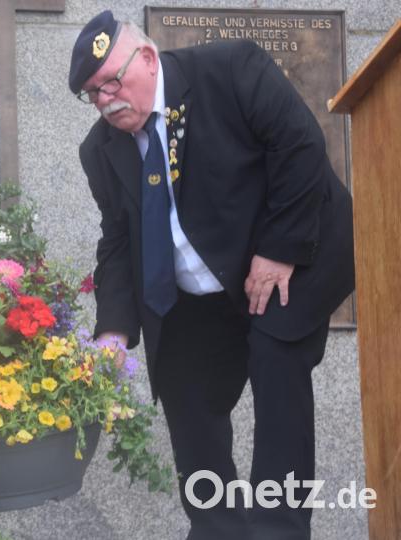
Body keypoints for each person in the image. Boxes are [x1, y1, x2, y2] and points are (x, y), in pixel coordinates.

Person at [69, 11, 354, 540]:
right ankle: (216, 527)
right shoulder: (100, 151)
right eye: (92, 92)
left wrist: (279, 250)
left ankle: (279, 529)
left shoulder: (231, 68)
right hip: (198, 291)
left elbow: (301, 148)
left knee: (276, 358)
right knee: (181, 384)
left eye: (113, 81)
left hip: (289, 257)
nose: (106, 98)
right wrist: (111, 331)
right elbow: (117, 240)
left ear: (148, 58)